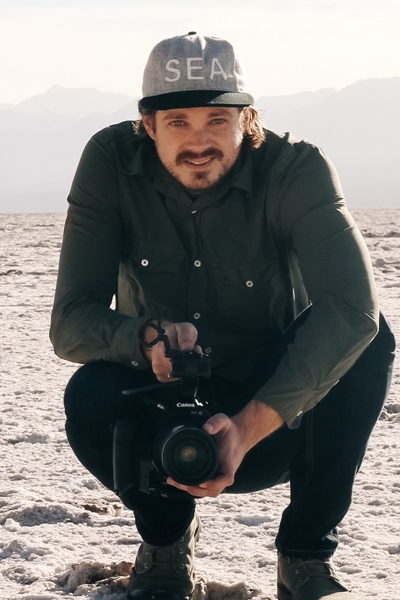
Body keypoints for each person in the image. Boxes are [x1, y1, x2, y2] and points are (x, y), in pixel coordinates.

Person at [50, 32, 396, 600]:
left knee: (369, 338)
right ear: (147, 123)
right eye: (178, 121)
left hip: (275, 415)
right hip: (164, 408)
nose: (199, 141)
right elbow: (69, 323)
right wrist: (143, 339)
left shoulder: (296, 169)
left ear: (247, 118)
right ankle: (164, 543)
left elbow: (353, 309)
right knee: (90, 394)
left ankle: (305, 557)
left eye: (217, 118)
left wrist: (247, 427)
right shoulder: (110, 164)